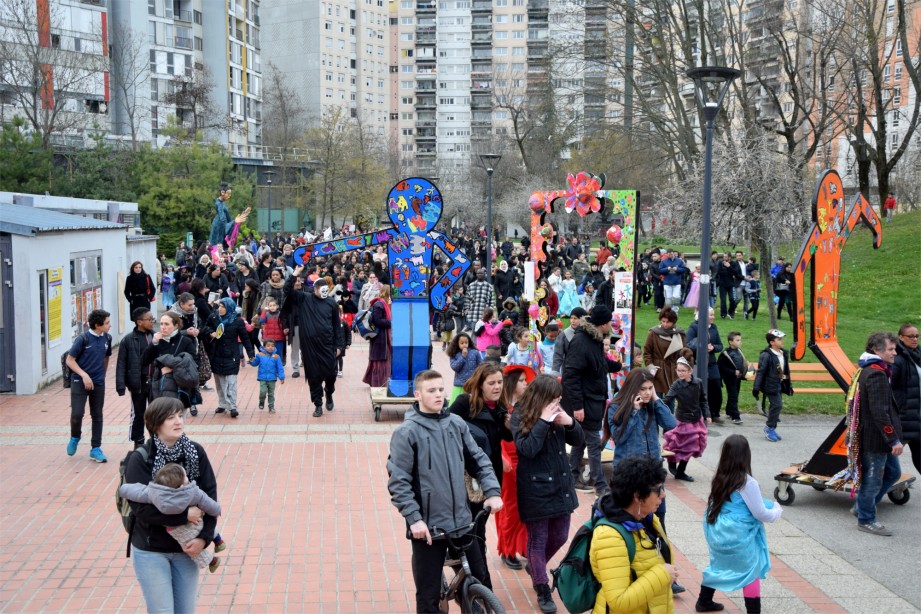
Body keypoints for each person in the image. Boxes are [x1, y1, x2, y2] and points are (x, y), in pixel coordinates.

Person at [387, 370, 503, 614]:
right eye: (431, 391)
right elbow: (399, 482)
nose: (439, 394)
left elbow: (479, 461)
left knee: (479, 578)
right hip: (428, 529)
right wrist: (414, 519)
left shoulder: (456, 424)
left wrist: (492, 491)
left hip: (463, 521)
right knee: (428, 599)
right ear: (417, 394)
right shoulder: (407, 433)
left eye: (441, 389)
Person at [124, 398, 218, 613]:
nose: (178, 421)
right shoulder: (141, 459)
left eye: (179, 415)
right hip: (151, 550)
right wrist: (184, 516)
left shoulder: (195, 452)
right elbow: (141, 509)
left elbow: (210, 498)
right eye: (170, 417)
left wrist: (204, 538)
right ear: (156, 424)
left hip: (188, 550)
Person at [513, 374, 584, 613]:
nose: (558, 401)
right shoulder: (520, 413)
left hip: (561, 486)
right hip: (535, 488)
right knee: (538, 539)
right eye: (555, 398)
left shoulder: (558, 411)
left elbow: (578, 440)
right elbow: (527, 449)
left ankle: (536, 566)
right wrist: (544, 421)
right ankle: (542, 588)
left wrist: (570, 422)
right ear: (542, 397)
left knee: (561, 535)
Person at [697, 435, 781, 614]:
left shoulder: (720, 476)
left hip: (718, 531)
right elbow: (760, 513)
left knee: (717, 564)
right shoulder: (747, 482)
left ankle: (704, 601)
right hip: (738, 535)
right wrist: (776, 509)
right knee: (751, 570)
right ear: (746, 456)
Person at [449, 362, 513, 590]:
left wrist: (508, 426)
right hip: (466, 478)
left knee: (479, 529)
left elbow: (504, 439)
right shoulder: (464, 403)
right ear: (480, 384)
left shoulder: (501, 406)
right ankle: (480, 582)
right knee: (473, 531)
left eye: (500, 382)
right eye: (491, 383)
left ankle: (475, 582)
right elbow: (447, 429)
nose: (497, 387)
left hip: (489, 476)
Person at [589, 456, 678, 613]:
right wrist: (663, 574)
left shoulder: (649, 519)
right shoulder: (610, 537)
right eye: (658, 490)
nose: (663, 495)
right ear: (637, 496)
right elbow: (618, 602)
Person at [119, 463, 224, 573]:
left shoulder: (153, 493)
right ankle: (218, 541)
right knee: (200, 526)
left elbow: (135, 492)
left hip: (175, 529)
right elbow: (208, 503)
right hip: (194, 521)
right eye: (186, 477)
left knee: (187, 544)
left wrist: (123, 489)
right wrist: (217, 510)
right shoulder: (192, 493)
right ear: (181, 486)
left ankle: (212, 561)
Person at [562, 305, 623, 496]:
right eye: (610, 322)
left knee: (580, 441)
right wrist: (578, 406)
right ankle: (600, 485)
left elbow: (599, 364)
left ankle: (572, 478)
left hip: (594, 399)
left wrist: (619, 364)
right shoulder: (582, 341)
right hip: (585, 402)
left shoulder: (594, 340)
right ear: (602, 324)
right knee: (593, 444)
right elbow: (570, 375)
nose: (612, 325)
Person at [849, 332, 904, 536]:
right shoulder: (876, 374)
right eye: (890, 349)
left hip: (879, 438)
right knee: (873, 480)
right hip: (876, 439)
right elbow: (879, 411)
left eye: (894, 348)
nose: (894, 352)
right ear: (877, 350)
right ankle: (866, 518)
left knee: (893, 473)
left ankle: (862, 506)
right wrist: (893, 439)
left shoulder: (873, 369)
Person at [285, 268, 344, 417]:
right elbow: (287, 290)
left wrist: (339, 346)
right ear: (315, 289)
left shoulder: (331, 303)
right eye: (320, 290)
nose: (323, 293)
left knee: (331, 374)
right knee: (313, 377)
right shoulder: (304, 298)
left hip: (327, 345)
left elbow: (337, 326)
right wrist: (294, 274)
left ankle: (329, 392)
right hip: (310, 347)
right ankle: (318, 403)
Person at [496, 365, 535, 572]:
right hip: (507, 463)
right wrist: (501, 457)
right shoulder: (500, 408)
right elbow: (494, 437)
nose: (525, 383)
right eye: (521, 380)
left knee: (525, 506)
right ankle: (508, 549)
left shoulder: (525, 406)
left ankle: (523, 546)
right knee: (510, 507)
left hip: (524, 459)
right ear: (512, 384)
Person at [65, 309, 112, 463]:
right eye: (107, 323)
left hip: (98, 382)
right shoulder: (83, 339)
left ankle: (96, 448)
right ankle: (75, 436)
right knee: (77, 413)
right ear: (98, 325)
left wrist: (102, 376)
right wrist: (84, 375)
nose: (109, 325)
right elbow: (70, 360)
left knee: (97, 414)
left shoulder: (107, 338)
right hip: (79, 381)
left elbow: (106, 358)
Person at [205, 297, 255, 418]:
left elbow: (245, 338)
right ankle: (222, 404)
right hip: (216, 354)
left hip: (231, 355)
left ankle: (233, 406)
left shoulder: (237, 321)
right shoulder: (213, 318)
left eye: (223, 307)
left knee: (231, 382)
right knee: (219, 382)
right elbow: (204, 328)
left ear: (229, 308)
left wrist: (251, 353)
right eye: (220, 306)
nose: (220, 309)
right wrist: (210, 332)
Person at [662, 357, 710, 482]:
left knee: (691, 447)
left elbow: (703, 400)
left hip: (695, 420)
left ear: (690, 371)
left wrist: (707, 414)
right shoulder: (677, 385)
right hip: (682, 420)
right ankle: (672, 463)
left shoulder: (698, 383)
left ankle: (681, 471)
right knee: (676, 445)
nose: (680, 373)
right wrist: (654, 402)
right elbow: (667, 400)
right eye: (678, 370)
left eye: (683, 370)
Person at [116, 308, 156, 449]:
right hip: (138, 383)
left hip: (154, 382)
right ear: (139, 322)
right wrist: (120, 385)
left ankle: (156, 441)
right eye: (149, 319)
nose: (153, 322)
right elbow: (121, 363)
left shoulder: (155, 337)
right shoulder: (128, 340)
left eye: (153, 319)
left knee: (156, 413)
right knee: (138, 414)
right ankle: (138, 441)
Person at [143, 311, 198, 406]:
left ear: (176, 326)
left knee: (176, 419)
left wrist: (173, 368)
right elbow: (144, 361)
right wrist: (153, 343)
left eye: (167, 324)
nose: (163, 327)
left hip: (179, 389)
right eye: (161, 324)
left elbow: (194, 364)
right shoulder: (157, 341)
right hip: (158, 388)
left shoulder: (185, 341)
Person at [752, 329, 792, 443]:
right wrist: (756, 387)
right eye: (779, 339)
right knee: (777, 405)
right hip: (770, 385)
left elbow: (784, 370)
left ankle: (772, 428)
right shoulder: (766, 355)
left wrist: (788, 385)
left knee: (776, 406)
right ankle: (769, 428)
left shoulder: (782, 353)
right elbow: (761, 372)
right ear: (772, 342)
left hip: (778, 384)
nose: (782, 341)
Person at [643, 307, 694, 396]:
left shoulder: (679, 334)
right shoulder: (653, 333)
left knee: (670, 401)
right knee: (656, 401)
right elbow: (647, 352)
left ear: (673, 322)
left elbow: (682, 352)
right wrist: (651, 367)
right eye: (663, 321)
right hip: (657, 371)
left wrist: (687, 354)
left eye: (668, 322)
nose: (665, 324)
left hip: (672, 371)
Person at [685, 308, 724, 424]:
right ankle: (700, 414)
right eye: (710, 315)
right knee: (700, 388)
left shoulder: (714, 328)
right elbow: (688, 344)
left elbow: (720, 345)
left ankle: (715, 413)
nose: (712, 317)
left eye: (713, 315)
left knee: (716, 386)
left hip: (711, 362)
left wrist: (713, 348)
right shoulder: (694, 327)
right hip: (699, 362)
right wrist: (701, 346)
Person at [892, 323, 920, 472]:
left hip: (917, 416)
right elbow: (888, 387)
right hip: (902, 418)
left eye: (917, 336)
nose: (915, 339)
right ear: (901, 337)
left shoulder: (918, 355)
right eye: (911, 336)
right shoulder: (897, 359)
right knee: (888, 457)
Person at [363, 285, 393, 388]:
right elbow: (377, 321)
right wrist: (391, 323)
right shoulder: (379, 304)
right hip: (380, 337)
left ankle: (375, 381)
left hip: (382, 337)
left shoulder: (382, 304)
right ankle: (379, 382)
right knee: (381, 360)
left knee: (379, 360)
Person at [717, 332, 747, 425]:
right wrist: (733, 372)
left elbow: (740, 361)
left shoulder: (739, 351)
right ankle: (735, 416)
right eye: (737, 340)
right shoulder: (725, 353)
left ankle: (729, 411)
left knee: (734, 394)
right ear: (730, 342)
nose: (740, 342)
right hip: (729, 378)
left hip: (738, 378)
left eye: (740, 340)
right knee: (733, 395)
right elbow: (721, 366)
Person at [250, 338, 285, 413]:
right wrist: (251, 361)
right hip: (262, 378)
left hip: (272, 378)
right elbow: (255, 364)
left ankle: (271, 406)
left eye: (272, 346)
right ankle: (261, 401)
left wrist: (281, 377)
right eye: (268, 345)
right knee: (263, 391)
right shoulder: (260, 355)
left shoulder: (276, 357)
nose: (270, 347)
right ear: (264, 347)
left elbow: (280, 368)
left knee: (271, 393)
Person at [447, 332, 483, 402]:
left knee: (472, 402)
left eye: (466, 342)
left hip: (473, 383)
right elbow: (455, 367)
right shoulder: (454, 354)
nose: (464, 345)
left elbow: (481, 365)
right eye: (462, 343)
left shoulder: (475, 352)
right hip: (460, 384)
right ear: (457, 343)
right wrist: (463, 356)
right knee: (456, 402)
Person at [551, 307, 586, 376]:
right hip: (569, 372)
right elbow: (558, 355)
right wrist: (555, 372)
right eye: (571, 318)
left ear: (582, 319)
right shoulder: (564, 335)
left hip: (585, 372)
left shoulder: (588, 334)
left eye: (575, 318)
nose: (573, 321)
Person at [257, 297, 288, 367]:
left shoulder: (280, 314)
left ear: (277, 306)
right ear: (268, 307)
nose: (272, 307)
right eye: (270, 306)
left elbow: (284, 323)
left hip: (279, 338)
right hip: (269, 339)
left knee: (278, 354)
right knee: (268, 353)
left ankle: (278, 366)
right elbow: (261, 320)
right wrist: (264, 311)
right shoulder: (266, 314)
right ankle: (270, 366)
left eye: (274, 305)